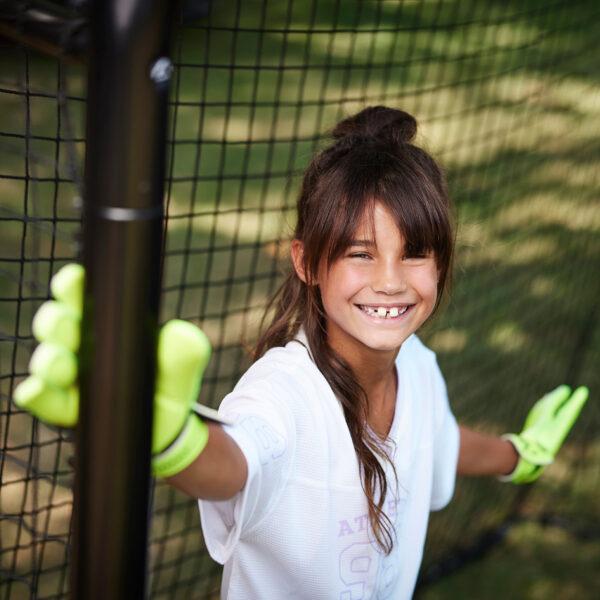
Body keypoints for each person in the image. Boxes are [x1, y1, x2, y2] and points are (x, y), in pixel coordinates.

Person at [14, 106, 588, 599]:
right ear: (308, 262)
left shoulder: (419, 364)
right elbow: (233, 463)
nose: (390, 281)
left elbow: (438, 439)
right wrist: (170, 439)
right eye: (360, 253)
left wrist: (519, 455)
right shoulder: (283, 390)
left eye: (414, 253)